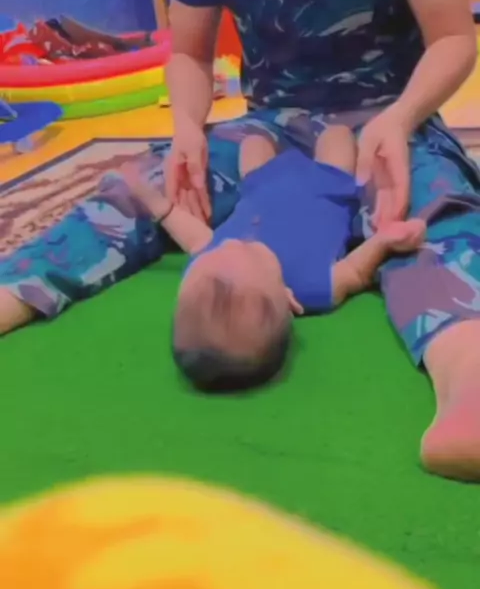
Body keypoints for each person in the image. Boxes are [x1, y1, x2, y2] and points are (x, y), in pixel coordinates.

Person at [0, 0, 478, 481]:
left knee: (430, 208)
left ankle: (469, 391)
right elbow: (189, 55)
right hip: (270, 128)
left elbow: (453, 37)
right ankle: (12, 292)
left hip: (387, 115)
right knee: (146, 186)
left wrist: (401, 120)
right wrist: (187, 129)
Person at [121, 126, 425, 393]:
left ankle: (286, 130)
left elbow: (196, 239)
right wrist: (384, 242)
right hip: (327, 184)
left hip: (261, 184)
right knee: (337, 135)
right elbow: (355, 271)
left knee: (253, 142)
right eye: (252, 251)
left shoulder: (213, 262)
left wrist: (155, 203)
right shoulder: (311, 288)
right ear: (289, 299)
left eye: (221, 247)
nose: (234, 242)